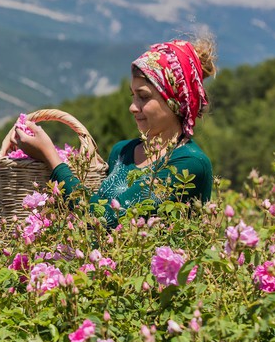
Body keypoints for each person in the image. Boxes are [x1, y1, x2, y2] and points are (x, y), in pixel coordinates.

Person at [11, 38, 217, 228]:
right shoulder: (123, 152)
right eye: (133, 95)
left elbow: (104, 220)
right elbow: (96, 206)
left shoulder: (189, 164)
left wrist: (51, 157)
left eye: (143, 97)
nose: (132, 107)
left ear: (176, 101)